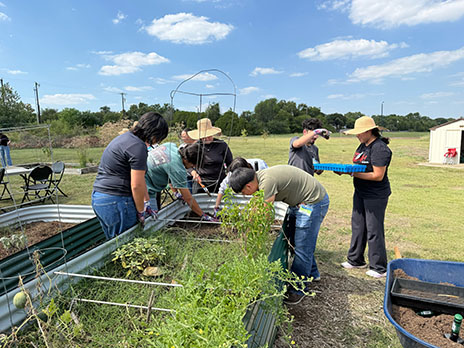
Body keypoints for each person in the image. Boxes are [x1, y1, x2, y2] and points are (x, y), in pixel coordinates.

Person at [229, 165, 330, 305]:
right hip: (299, 203)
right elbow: (257, 207)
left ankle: (298, 290)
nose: (245, 195)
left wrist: (252, 238)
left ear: (248, 185)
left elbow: (264, 214)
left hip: (312, 202)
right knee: (297, 244)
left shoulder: (267, 182)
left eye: (243, 192)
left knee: (302, 248)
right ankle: (313, 274)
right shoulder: (259, 179)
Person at [91, 112, 168, 240]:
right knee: (126, 243)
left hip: (100, 198)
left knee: (114, 242)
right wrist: (141, 211)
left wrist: (147, 201)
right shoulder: (138, 146)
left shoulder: (126, 138)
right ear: (154, 134)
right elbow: (136, 185)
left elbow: (140, 179)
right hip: (117, 201)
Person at [339, 116, 392, 278]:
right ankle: (356, 260)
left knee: (374, 229)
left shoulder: (380, 148)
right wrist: (346, 169)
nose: (357, 135)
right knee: (358, 226)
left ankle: (379, 268)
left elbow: (377, 175)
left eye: (360, 133)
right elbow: (359, 165)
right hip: (360, 192)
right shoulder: (363, 145)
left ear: (369, 131)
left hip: (375, 195)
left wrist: (353, 173)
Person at [145, 142, 217, 221]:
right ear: (187, 160)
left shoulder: (170, 145)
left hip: (138, 176)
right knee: (152, 222)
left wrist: (175, 192)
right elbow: (188, 198)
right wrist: (204, 215)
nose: (193, 167)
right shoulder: (178, 169)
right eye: (193, 164)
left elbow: (168, 172)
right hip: (145, 190)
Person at [187, 118, 233, 194]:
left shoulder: (222, 145)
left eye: (209, 135)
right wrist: (193, 172)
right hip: (200, 182)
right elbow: (186, 164)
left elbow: (230, 163)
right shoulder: (195, 147)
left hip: (219, 182)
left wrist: (229, 175)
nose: (207, 138)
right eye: (204, 136)